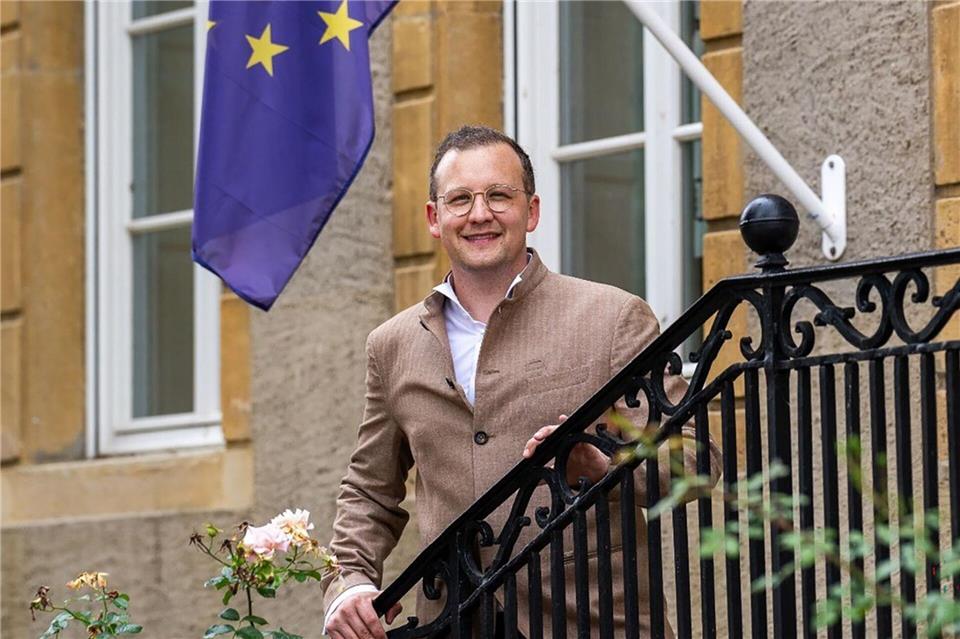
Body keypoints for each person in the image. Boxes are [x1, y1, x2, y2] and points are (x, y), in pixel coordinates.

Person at [321, 126, 721, 639]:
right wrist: (348, 585)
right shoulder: (391, 345)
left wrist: (604, 467)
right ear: (434, 218)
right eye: (460, 199)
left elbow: (696, 459)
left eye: (498, 196)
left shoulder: (614, 318)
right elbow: (369, 492)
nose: (479, 213)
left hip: (596, 622)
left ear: (531, 211)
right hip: (455, 621)